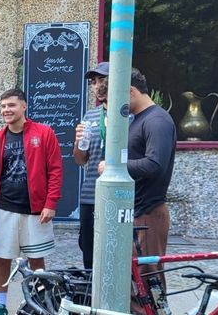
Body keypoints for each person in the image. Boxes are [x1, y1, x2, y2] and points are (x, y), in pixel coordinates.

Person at [0, 88, 62, 315]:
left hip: (35, 210)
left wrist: (50, 203)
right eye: (3, 106)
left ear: (24, 107)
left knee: (36, 259)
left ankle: (41, 306)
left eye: (11, 105)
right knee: (2, 259)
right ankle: (0, 306)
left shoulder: (44, 133)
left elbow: (56, 170)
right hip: (4, 208)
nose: (7, 110)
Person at [98, 68, 177, 282]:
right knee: (132, 281)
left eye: (114, 100)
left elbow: (154, 164)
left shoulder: (156, 120)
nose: (112, 107)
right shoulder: (138, 119)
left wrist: (113, 167)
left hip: (148, 212)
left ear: (131, 92)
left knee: (148, 280)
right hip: (133, 211)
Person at [74, 62, 110, 269]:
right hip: (90, 195)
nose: (97, 86)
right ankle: (90, 297)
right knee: (88, 250)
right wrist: (78, 141)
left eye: (101, 80)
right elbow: (80, 159)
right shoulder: (90, 115)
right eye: (94, 82)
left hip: (119, 195)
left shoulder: (129, 115)